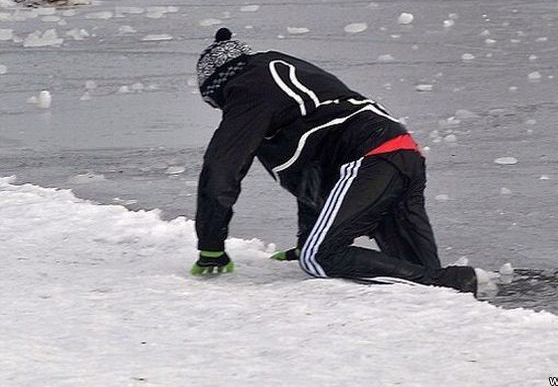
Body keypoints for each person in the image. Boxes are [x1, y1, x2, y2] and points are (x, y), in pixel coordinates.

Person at [190, 27, 477, 295]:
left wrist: (211, 247)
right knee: (425, 282)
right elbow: (312, 168)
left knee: (320, 256)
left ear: (220, 87)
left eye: (217, 104)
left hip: (371, 157)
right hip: (400, 153)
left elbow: (221, 169)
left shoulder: (249, 90)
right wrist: (308, 237)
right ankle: (466, 291)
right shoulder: (284, 74)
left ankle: (449, 281)